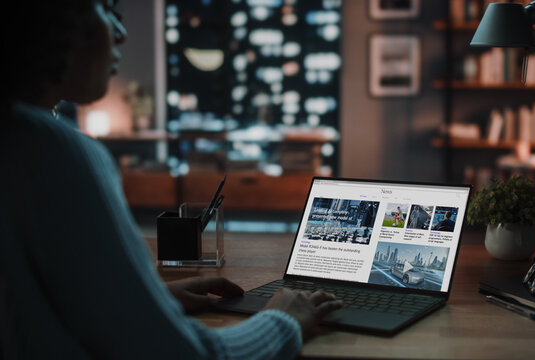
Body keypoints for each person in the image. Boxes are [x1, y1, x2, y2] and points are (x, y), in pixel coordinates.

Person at [0, 1, 341, 358]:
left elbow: (46, 304)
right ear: (52, 20)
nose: (121, 32)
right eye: (103, 8)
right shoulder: (54, 152)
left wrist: (147, 300)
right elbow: (182, 354)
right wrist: (283, 319)